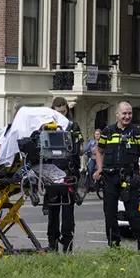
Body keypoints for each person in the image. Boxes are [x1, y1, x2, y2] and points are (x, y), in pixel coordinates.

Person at [93, 102, 140, 251]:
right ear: (117, 114)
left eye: (130, 113)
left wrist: (139, 174)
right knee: (110, 213)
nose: (127, 116)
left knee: (133, 213)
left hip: (129, 178)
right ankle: (114, 246)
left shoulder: (137, 131)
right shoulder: (107, 131)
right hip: (110, 177)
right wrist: (99, 169)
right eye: (124, 113)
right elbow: (99, 151)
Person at [44, 97, 84, 252]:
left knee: (68, 213)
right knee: (53, 211)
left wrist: (73, 144)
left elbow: (81, 149)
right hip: (51, 173)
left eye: (63, 111)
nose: (61, 114)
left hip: (69, 173)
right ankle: (52, 245)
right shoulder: (47, 127)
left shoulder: (73, 126)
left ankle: (67, 246)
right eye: (58, 111)